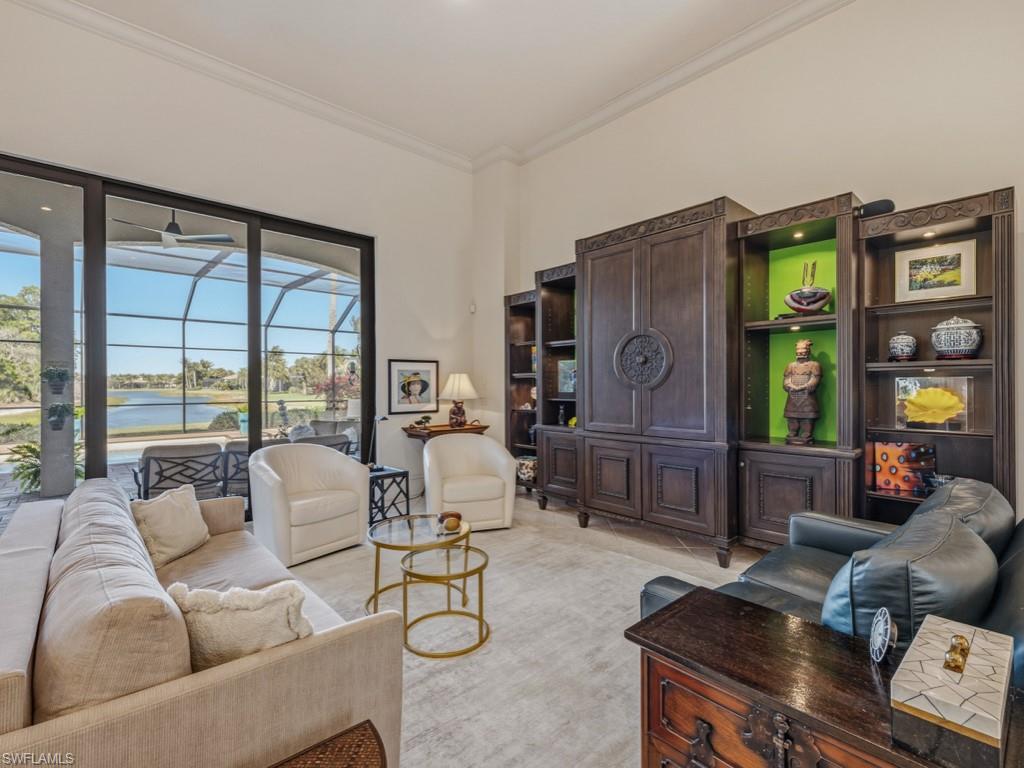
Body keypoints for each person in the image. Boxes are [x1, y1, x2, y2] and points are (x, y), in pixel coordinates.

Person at [783, 339, 821, 445]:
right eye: (798, 351)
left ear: (808, 351)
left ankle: (807, 432)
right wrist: (790, 386)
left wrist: (803, 387)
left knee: (807, 417)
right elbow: (786, 379)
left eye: (803, 351)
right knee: (791, 417)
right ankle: (793, 431)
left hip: (807, 396)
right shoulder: (790, 365)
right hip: (792, 394)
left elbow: (815, 380)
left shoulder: (814, 365)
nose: (800, 353)